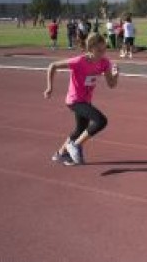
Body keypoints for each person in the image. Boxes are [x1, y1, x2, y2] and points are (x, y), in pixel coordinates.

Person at [44, 33, 119, 165]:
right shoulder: (79, 61)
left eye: (104, 49)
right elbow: (53, 66)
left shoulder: (104, 63)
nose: (103, 53)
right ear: (90, 49)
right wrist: (49, 88)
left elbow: (112, 85)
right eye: (99, 50)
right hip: (74, 100)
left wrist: (116, 75)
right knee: (101, 121)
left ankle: (60, 154)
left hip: (86, 101)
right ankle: (75, 146)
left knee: (80, 129)